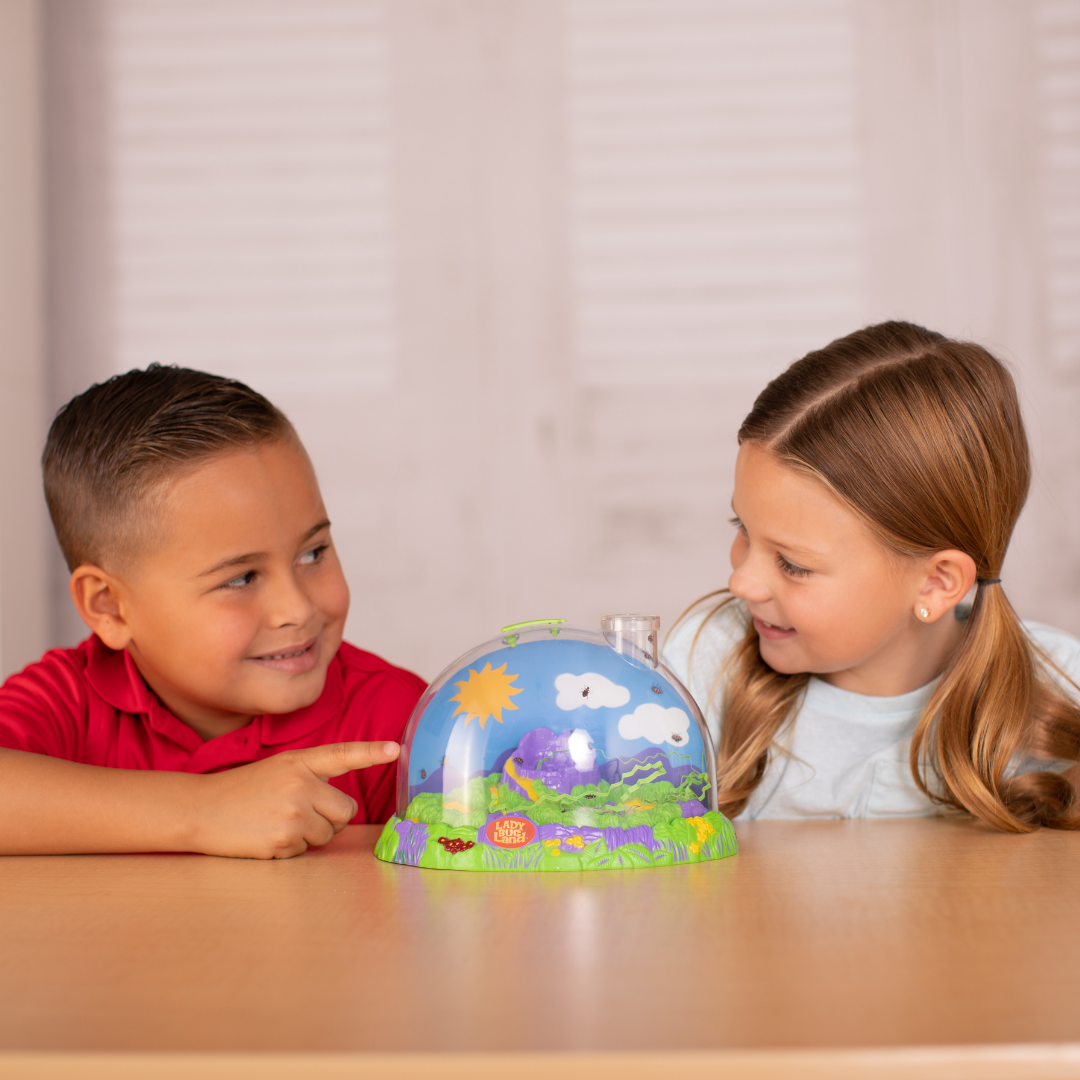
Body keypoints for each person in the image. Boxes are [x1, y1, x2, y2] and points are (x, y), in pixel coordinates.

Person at [662, 321, 1080, 831]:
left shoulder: (1062, 692)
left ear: (936, 583)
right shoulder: (704, 668)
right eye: (743, 528)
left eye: (793, 564)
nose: (741, 583)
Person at [0, 366, 424, 858]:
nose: (297, 609)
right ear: (110, 606)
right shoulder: (67, 701)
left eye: (312, 552)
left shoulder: (397, 723)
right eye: (240, 578)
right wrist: (203, 811)